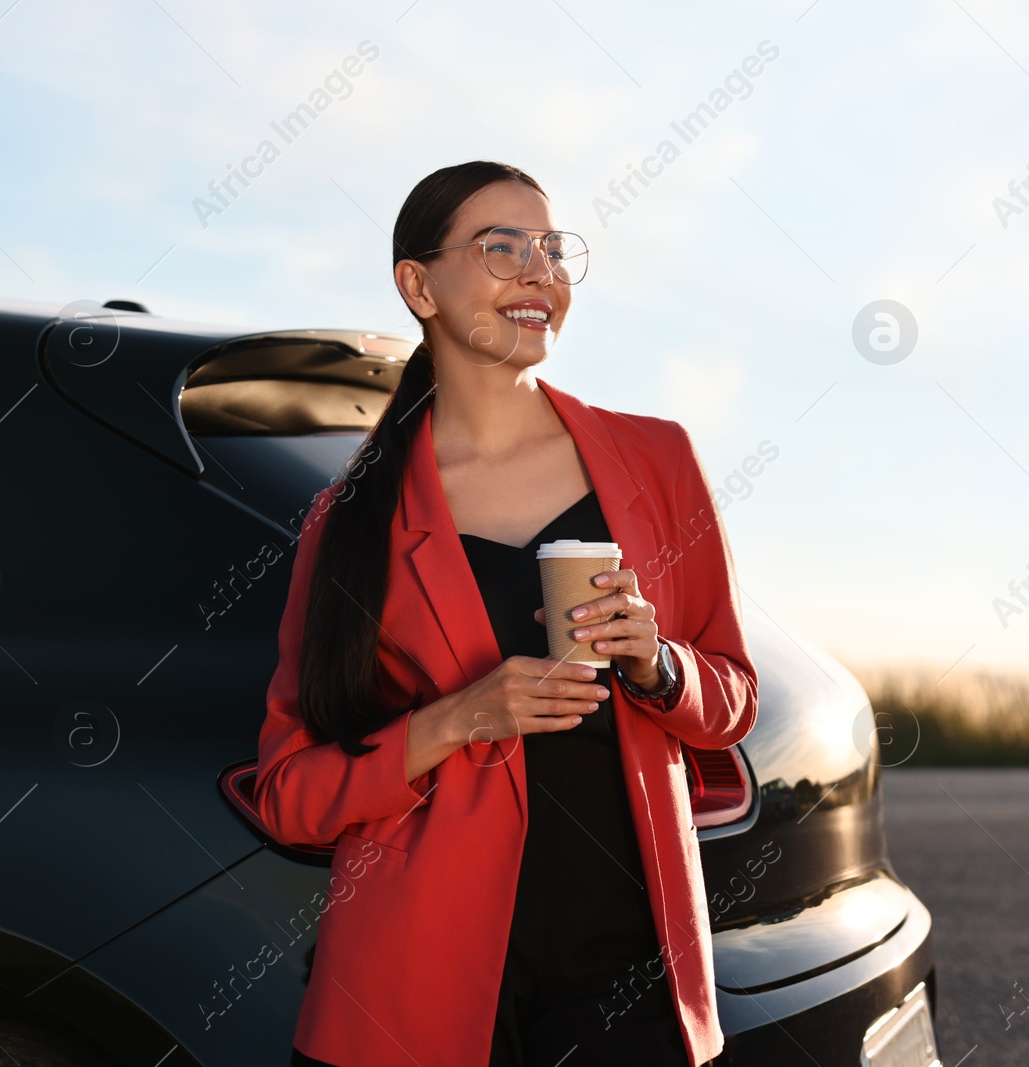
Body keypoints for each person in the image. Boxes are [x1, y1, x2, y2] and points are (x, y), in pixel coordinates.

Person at [255, 160, 758, 1067]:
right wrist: (456, 719)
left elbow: (732, 700)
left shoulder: (657, 458)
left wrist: (660, 663)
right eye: (502, 248)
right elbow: (289, 795)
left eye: (554, 248)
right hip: (419, 989)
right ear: (419, 284)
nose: (541, 271)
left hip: (633, 978)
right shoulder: (350, 519)